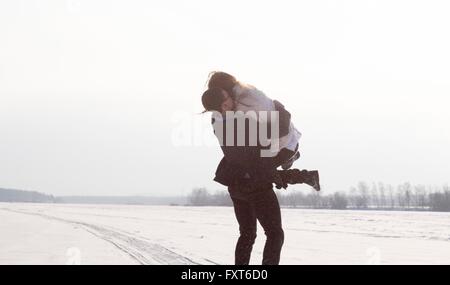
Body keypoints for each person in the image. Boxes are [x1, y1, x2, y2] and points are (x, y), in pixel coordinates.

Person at [201, 72, 320, 265]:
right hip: (254, 184)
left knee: (247, 233)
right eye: (225, 101)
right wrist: (281, 110)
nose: (229, 102)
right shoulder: (238, 122)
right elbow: (275, 135)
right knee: (275, 234)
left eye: (227, 98)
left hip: (235, 183)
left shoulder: (220, 120)